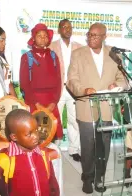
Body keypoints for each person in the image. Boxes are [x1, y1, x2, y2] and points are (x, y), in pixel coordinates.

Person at [67, 23, 127, 194]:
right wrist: (83, 90)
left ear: (104, 37)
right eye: (89, 34)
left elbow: (122, 78)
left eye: (95, 35)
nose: (91, 38)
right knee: (88, 146)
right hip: (86, 105)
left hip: (107, 107)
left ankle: (99, 177)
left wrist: (118, 84)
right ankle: (87, 177)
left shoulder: (114, 55)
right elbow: (72, 80)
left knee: (104, 146)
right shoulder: (78, 54)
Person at [0, 109, 60, 196]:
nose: (36, 136)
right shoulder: (4, 160)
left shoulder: (44, 155)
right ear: (14, 137)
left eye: (36, 130)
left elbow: (52, 185)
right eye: (29, 134)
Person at [19, 23, 63, 140]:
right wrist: (36, 104)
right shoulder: (26, 57)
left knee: (51, 134)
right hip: (34, 101)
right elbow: (24, 83)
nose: (43, 38)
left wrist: (54, 102)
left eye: (45, 35)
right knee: (35, 134)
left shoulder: (54, 56)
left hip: (51, 102)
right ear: (33, 38)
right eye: (39, 35)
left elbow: (59, 81)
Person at [49, 19, 82, 162]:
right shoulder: (51, 47)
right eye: (64, 27)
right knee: (55, 120)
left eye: (70, 27)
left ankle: (74, 149)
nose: (68, 29)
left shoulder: (79, 47)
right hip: (57, 88)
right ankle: (54, 148)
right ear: (59, 29)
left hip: (73, 89)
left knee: (74, 120)